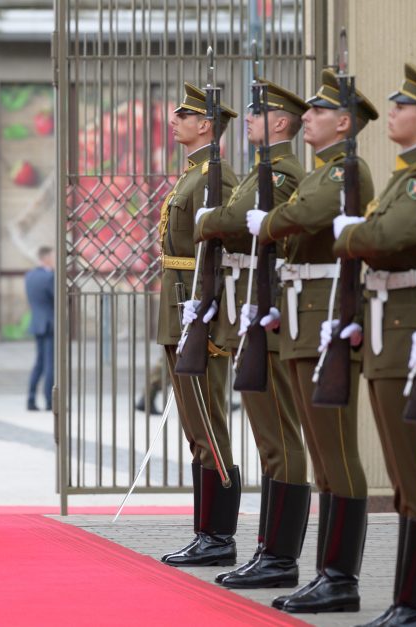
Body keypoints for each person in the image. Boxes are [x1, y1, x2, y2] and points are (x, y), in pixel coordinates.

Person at [332, 63, 416, 627]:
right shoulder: (404, 174)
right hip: (390, 330)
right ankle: (405, 602)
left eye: (401, 107)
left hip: (411, 333)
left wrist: (349, 233)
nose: (391, 114)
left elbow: (387, 236)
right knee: (406, 477)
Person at [246, 68, 378, 614]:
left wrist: (270, 219)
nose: (307, 117)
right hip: (305, 315)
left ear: (343, 122)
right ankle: (326, 573)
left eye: (319, 112)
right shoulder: (321, 172)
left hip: (326, 315)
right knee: (324, 458)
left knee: (337, 454)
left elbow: (304, 216)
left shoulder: (345, 170)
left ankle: (340, 577)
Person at [195, 78, 310, 590]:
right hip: (249, 311)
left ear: (281, 122)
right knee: (268, 436)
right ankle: (268, 549)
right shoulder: (262, 171)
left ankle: (281, 556)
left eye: (257, 114)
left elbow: (235, 221)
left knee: (280, 436)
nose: (248, 121)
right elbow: (232, 221)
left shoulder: (282, 172)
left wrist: (212, 219)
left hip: (271, 313)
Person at [157, 82, 240, 567]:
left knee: (209, 423)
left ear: (205, 124)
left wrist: (208, 316)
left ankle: (220, 536)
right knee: (195, 426)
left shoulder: (215, 177)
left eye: (183, 114)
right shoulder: (191, 175)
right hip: (178, 308)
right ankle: (205, 530)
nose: (175, 119)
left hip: (196, 312)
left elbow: (219, 256)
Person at [25, 245, 55, 412]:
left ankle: (30, 399)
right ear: (46, 259)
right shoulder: (49, 277)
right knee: (50, 364)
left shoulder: (30, 275)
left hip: (37, 322)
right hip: (50, 323)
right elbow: (59, 299)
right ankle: (50, 400)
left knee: (39, 363)